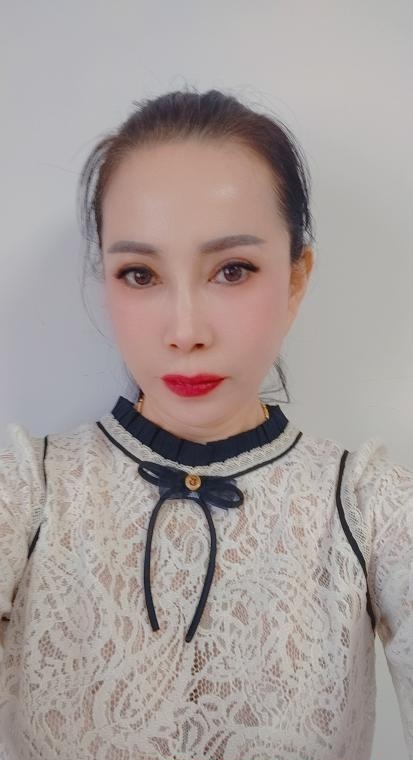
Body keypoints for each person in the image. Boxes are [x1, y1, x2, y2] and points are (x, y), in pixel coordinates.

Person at [0, 88, 412, 760]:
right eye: (140, 274)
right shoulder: (27, 494)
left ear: (295, 280)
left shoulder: (371, 509)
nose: (186, 331)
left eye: (232, 270)